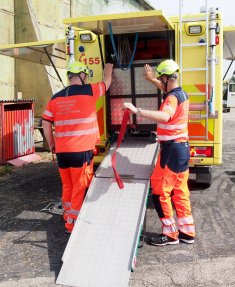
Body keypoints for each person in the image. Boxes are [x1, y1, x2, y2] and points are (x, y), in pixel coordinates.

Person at [123, 59, 195, 246]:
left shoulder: (171, 98)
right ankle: (187, 232)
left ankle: (169, 234)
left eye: (161, 79)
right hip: (181, 149)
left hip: (171, 149)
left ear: (166, 78)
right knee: (180, 191)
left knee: (160, 190)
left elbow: (165, 116)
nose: (160, 83)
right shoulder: (181, 93)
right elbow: (166, 89)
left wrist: (137, 110)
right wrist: (152, 79)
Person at [42, 61, 113, 233]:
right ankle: (72, 224)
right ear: (82, 75)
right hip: (80, 152)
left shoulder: (56, 97)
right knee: (79, 187)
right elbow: (107, 83)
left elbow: (45, 122)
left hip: (62, 152)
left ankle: (67, 215)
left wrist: (51, 143)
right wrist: (109, 68)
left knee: (67, 185)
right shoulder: (89, 90)